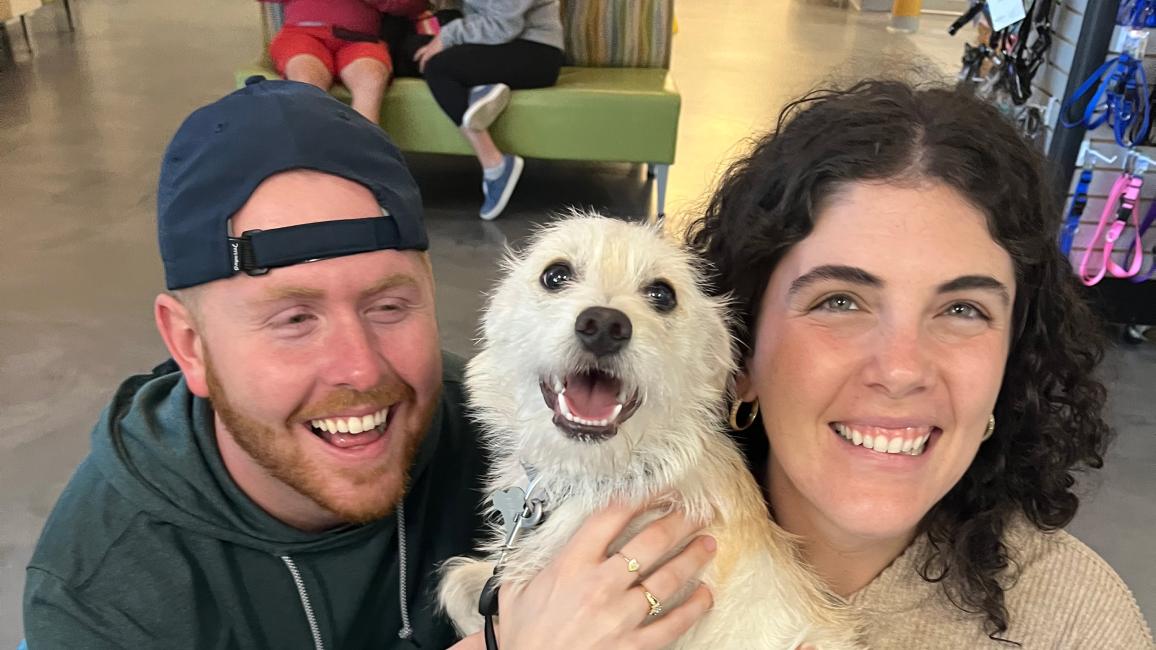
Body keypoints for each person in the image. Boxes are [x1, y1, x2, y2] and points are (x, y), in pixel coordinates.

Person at [22, 78, 711, 650]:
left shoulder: (509, 428)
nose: (358, 369)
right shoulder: (104, 597)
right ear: (190, 347)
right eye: (293, 318)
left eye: (388, 306)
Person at [689, 79, 1155, 648]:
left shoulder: (1080, 626)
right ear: (738, 353)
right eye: (839, 301)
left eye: (962, 309)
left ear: (1012, 361)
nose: (902, 368)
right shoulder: (590, 578)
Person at [413, 0, 565, 221]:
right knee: (411, 52)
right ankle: (481, 89)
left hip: (536, 50)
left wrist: (447, 36)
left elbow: (503, 25)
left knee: (437, 67)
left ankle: (496, 165)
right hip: (498, 44)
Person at [264, 0, 431, 123]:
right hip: (303, 33)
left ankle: (362, 157)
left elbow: (415, 5)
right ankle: (314, 160)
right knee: (307, 78)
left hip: (361, 39)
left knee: (371, 76)